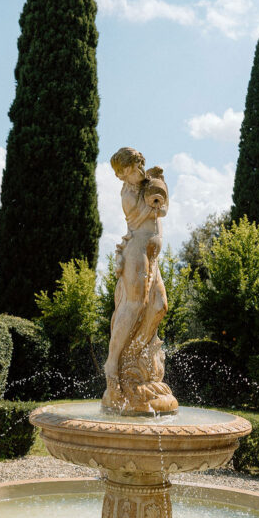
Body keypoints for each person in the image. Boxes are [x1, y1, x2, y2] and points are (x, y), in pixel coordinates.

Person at [102, 147, 177, 414]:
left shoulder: (145, 184)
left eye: (141, 164)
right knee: (134, 305)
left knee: (159, 306)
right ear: (122, 174)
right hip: (137, 252)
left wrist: (159, 186)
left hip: (153, 255)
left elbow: (163, 207)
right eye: (134, 168)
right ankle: (113, 364)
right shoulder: (129, 194)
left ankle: (136, 355)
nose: (140, 170)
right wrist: (156, 194)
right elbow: (153, 208)